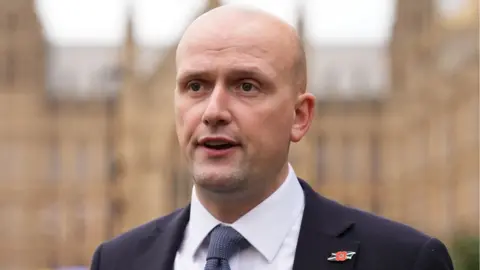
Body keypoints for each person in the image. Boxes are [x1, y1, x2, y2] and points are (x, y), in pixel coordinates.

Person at [90, 4, 454, 270]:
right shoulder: (115, 262)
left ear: (299, 116)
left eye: (246, 85)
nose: (213, 111)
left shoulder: (403, 261)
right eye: (195, 85)